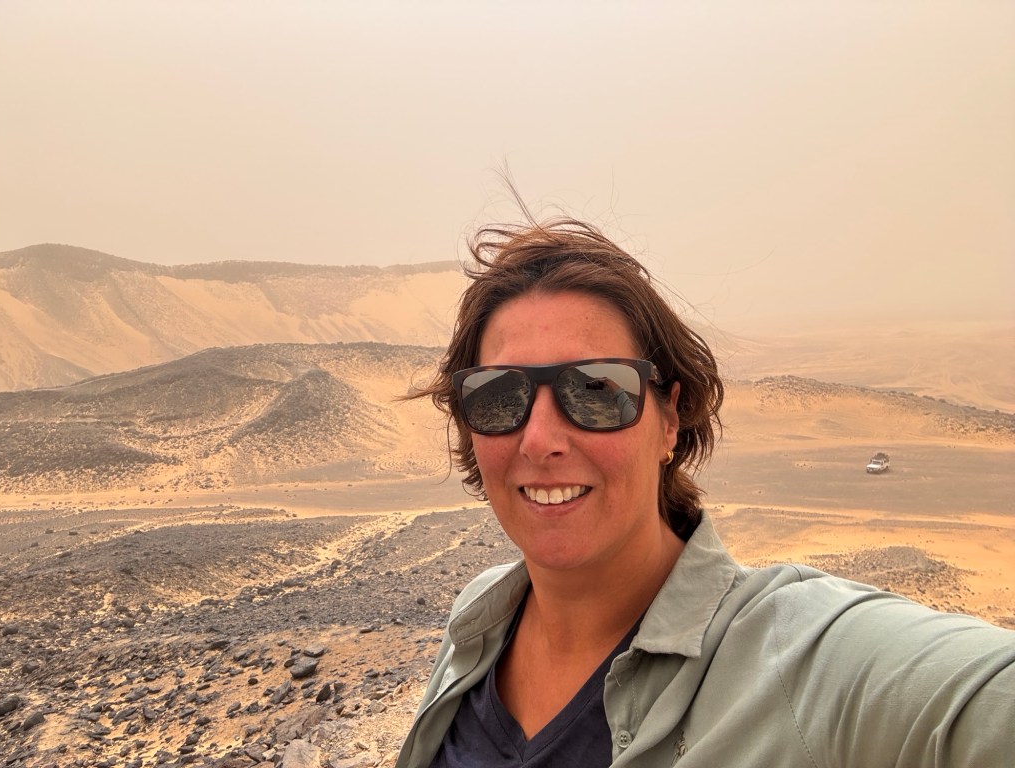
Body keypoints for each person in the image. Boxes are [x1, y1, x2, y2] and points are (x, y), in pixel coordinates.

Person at [395, 210, 1015, 767]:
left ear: (669, 419)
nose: (539, 440)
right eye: (499, 396)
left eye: (596, 390)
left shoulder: (791, 657)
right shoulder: (482, 618)